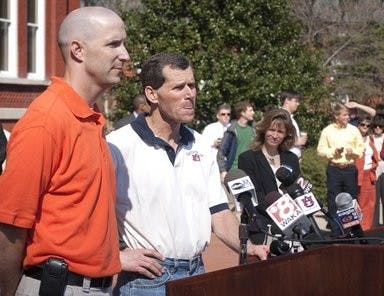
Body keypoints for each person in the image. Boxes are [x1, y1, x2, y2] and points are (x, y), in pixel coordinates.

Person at [106, 52, 269, 296]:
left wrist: (249, 247)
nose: (189, 94)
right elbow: (91, 213)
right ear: (152, 94)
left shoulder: (202, 146)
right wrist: (115, 257)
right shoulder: (117, 146)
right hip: (146, 280)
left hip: (197, 274)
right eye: (178, 87)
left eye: (191, 85)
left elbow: (220, 215)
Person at [0, 7, 129, 295]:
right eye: (113, 44)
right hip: (57, 287)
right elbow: (9, 227)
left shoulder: (90, 117)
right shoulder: (45, 123)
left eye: (124, 43)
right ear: (78, 51)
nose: (125, 55)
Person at [317, 102, 364, 236]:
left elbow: (361, 149)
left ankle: (352, 231)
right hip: (334, 170)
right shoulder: (327, 130)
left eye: (348, 114)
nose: (348, 117)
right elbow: (320, 150)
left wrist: (352, 151)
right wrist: (333, 152)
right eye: (344, 115)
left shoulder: (354, 130)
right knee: (333, 201)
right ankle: (337, 232)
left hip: (349, 169)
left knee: (351, 200)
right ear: (336, 116)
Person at [238, 108, 300, 198]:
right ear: (264, 129)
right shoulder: (247, 159)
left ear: (286, 134)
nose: (275, 136)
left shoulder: (292, 158)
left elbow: (297, 189)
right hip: (262, 211)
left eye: (280, 132)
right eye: (271, 130)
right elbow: (252, 194)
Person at [217, 100, 255, 182]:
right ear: (242, 113)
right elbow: (221, 153)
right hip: (235, 171)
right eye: (250, 110)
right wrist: (223, 171)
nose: (253, 113)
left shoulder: (253, 130)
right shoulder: (232, 130)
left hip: (251, 172)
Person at [354, 114, 378, 230]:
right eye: (362, 124)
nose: (365, 127)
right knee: (358, 203)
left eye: (368, 125)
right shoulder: (352, 138)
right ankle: (358, 229)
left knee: (370, 203)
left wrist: (374, 166)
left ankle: (366, 229)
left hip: (369, 174)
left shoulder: (370, 138)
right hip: (357, 173)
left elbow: (375, 156)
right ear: (358, 125)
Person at [279, 90, 307, 158]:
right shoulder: (281, 117)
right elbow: (278, 139)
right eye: (296, 101)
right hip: (285, 158)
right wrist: (297, 142)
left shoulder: (291, 118)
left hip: (292, 159)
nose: (298, 104)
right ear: (287, 100)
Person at [371, 115, 384, 226]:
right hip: (374, 168)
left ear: (383, 127)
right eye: (376, 126)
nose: (377, 128)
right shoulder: (370, 138)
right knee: (375, 199)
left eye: (380, 126)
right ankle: (375, 224)